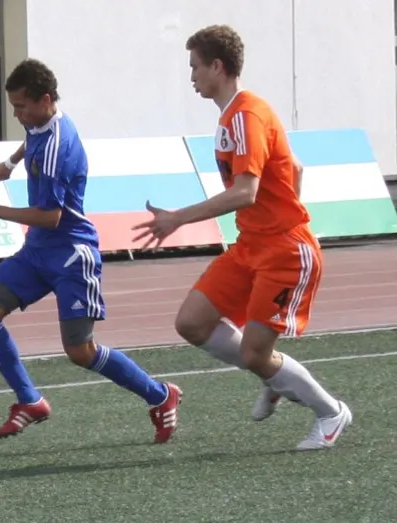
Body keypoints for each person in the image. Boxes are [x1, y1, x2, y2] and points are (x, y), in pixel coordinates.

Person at [131, 25, 351, 450]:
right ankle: (272, 373)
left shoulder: (245, 115)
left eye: (195, 67)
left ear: (217, 66)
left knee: (254, 354)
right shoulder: (235, 114)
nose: (191, 76)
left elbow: (245, 192)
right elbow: (295, 169)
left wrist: (178, 218)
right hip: (252, 245)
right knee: (191, 323)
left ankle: (330, 412)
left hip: (284, 252)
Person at [0, 58, 183, 443]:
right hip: (38, 251)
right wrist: (11, 162)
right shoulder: (42, 121)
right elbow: (31, 136)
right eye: (14, 106)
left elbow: (50, 217)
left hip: (71, 255)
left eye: (21, 106)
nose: (17, 115)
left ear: (45, 99)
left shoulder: (58, 147)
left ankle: (160, 395)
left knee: (80, 351)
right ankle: (30, 401)